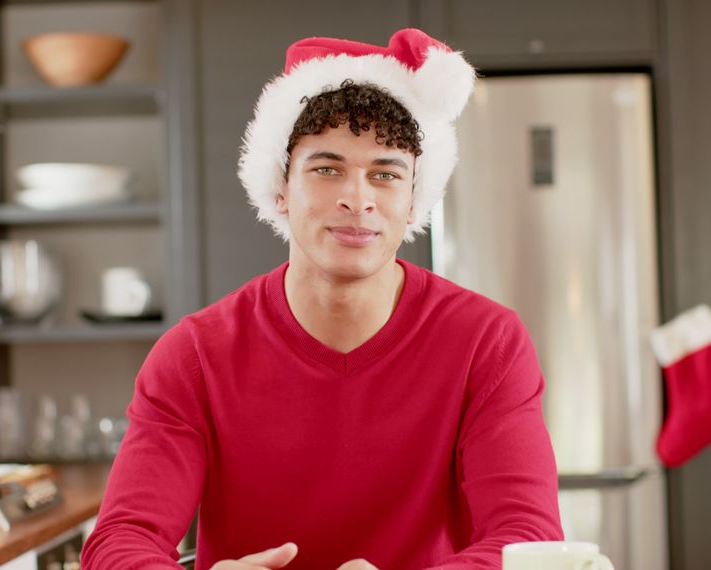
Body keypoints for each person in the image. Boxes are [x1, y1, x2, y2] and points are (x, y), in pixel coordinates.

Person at [81, 28, 564, 570]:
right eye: (327, 169)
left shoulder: (487, 342)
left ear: (413, 202)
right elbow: (119, 541)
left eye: (385, 174)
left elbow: (530, 539)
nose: (357, 199)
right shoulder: (192, 355)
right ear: (281, 186)